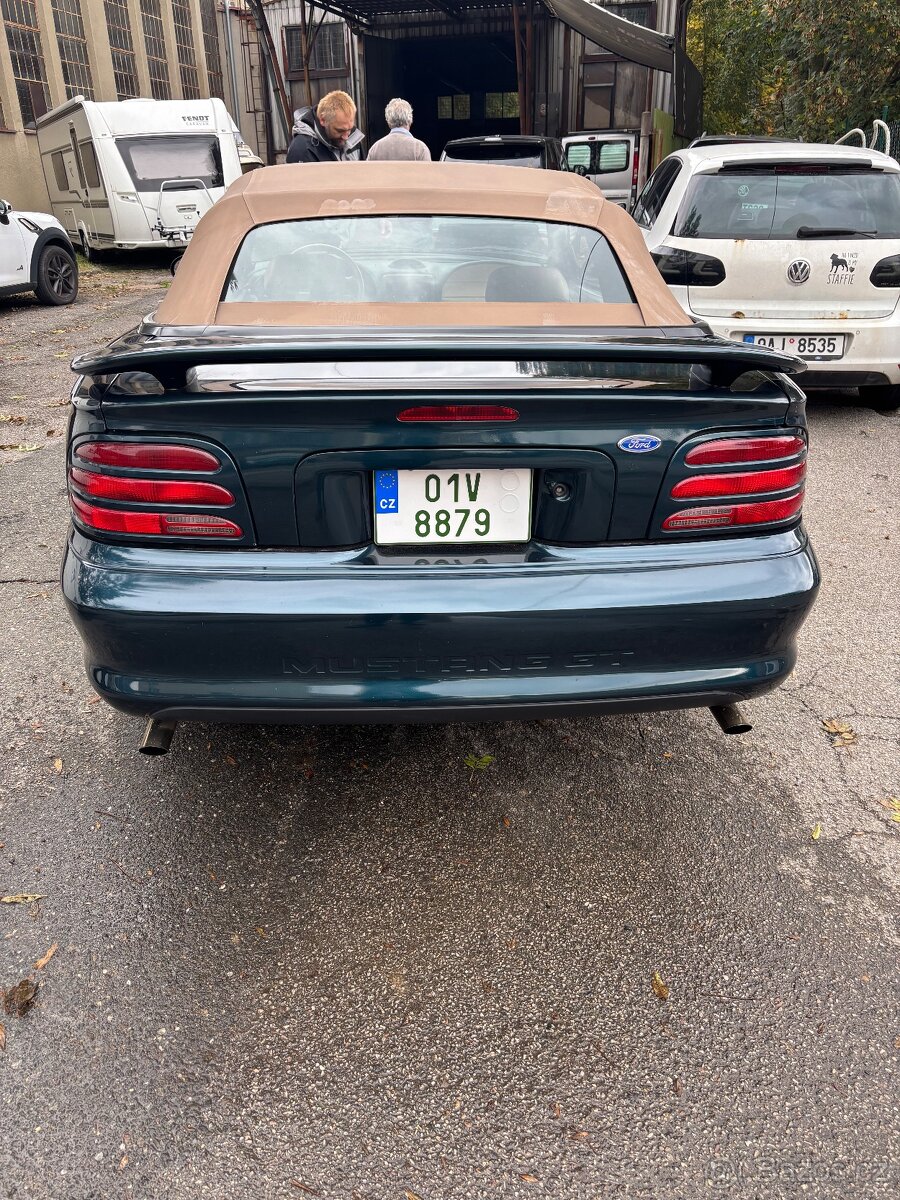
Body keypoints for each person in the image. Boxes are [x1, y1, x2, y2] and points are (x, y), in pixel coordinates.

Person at [287, 91, 365, 163]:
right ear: (323, 120)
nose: (346, 137)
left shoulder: (353, 137)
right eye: (340, 131)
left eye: (350, 129)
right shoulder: (302, 150)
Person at [366, 98, 431, 162]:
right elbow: (428, 172)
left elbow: (366, 172)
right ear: (410, 120)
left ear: (388, 122)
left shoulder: (375, 149)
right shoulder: (420, 149)